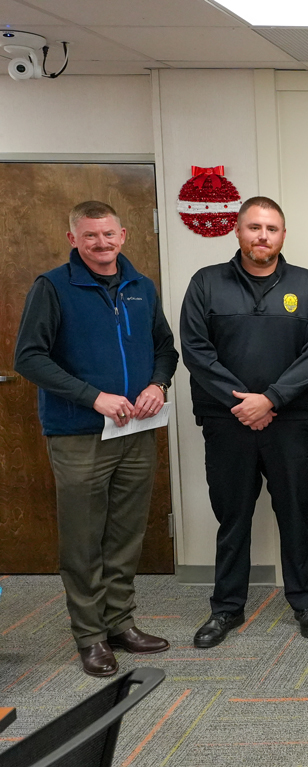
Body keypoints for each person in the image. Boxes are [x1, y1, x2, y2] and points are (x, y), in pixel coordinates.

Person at [14, 201, 178, 677]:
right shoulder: (53, 287)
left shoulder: (141, 287)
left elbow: (165, 348)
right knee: (84, 539)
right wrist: (93, 397)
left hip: (136, 432)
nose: (101, 244)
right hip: (79, 435)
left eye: (108, 235)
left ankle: (120, 624)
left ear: (123, 235)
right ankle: (89, 636)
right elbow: (30, 358)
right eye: (90, 237)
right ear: (74, 239)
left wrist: (156, 384)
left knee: (126, 533)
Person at [180, 197, 308, 648]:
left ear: (283, 235)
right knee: (233, 518)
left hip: (288, 423)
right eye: (253, 227)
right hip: (226, 423)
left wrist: (270, 399)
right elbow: (196, 351)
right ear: (237, 231)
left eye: (271, 228)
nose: (262, 236)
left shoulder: (307, 285)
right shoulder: (207, 283)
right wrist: (243, 404)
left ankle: (306, 603)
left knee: (295, 516)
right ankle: (226, 609)